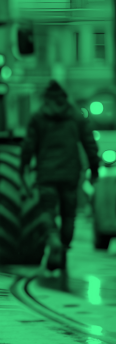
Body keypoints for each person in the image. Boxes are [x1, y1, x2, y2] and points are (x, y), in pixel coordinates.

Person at [21, 80, 99, 274]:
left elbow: (28, 145)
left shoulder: (38, 117)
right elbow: (90, 144)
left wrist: (22, 166)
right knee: (68, 214)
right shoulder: (75, 116)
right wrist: (94, 169)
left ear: (46, 98)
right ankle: (62, 248)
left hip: (46, 173)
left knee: (46, 210)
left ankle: (53, 239)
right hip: (70, 173)